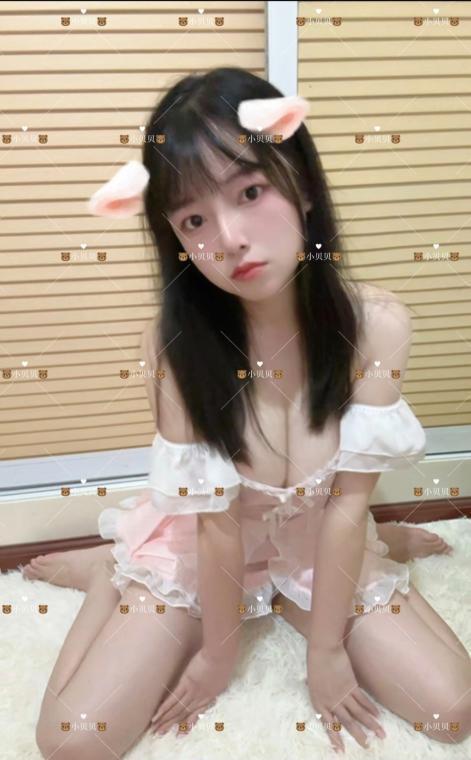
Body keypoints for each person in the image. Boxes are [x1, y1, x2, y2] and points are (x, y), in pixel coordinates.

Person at [24, 67, 469, 758]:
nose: (227, 238)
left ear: (301, 185)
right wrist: (216, 655)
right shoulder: (175, 346)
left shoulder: (378, 326)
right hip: (205, 544)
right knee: (73, 742)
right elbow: (215, 525)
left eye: (250, 192)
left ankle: (363, 557)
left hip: (320, 537)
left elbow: (347, 503)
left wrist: (326, 652)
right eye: (193, 220)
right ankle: (109, 571)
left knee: (453, 711)